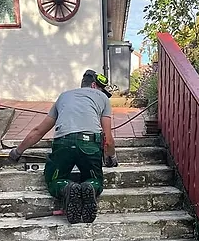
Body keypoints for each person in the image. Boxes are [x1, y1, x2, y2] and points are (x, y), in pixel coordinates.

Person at [9, 70, 118, 224]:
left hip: (63, 142)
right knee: (95, 179)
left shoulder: (63, 96)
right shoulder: (103, 98)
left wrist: (17, 151)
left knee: (55, 178)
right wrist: (111, 157)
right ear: (94, 85)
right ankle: (90, 186)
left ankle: (66, 187)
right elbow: (108, 139)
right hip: (89, 143)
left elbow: (39, 131)